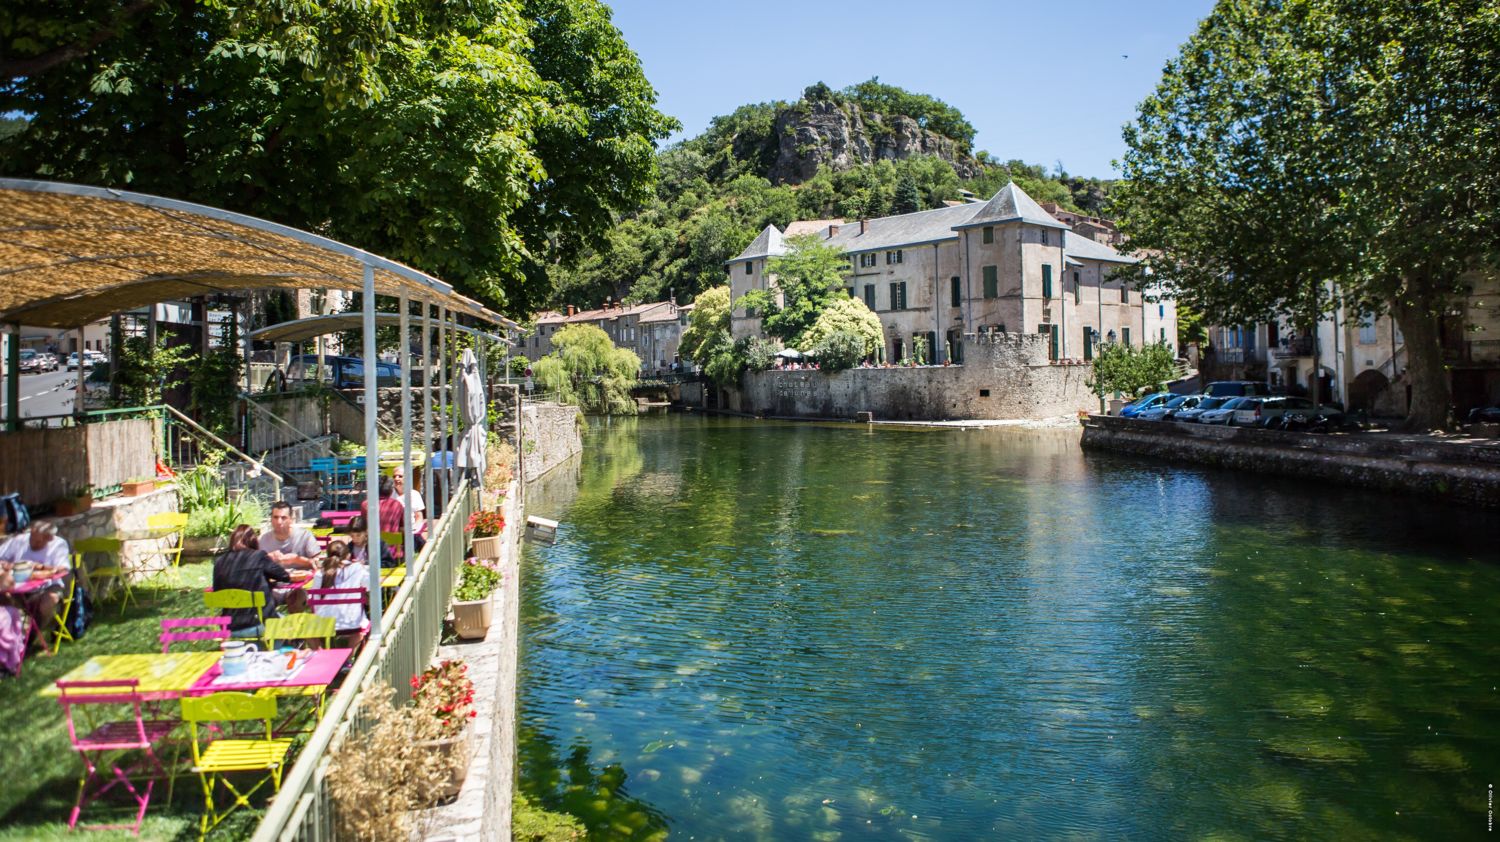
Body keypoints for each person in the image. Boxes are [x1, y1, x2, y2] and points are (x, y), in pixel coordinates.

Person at [0, 521, 72, 653]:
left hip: (49, 586)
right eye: (32, 538)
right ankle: (13, 637)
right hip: (18, 586)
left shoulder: (58, 544)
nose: (32, 543)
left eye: (38, 541)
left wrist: (43, 569)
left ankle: (29, 638)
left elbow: (63, 569)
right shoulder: (20, 540)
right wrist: (6, 565)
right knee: (3, 594)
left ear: (49, 538)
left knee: (49, 602)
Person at [212, 525, 292, 638]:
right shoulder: (258, 556)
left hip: (230, 626)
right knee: (292, 625)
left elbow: (217, 592)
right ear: (253, 540)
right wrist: (274, 563)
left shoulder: (219, 562)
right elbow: (284, 576)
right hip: (259, 622)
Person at [313, 539, 368, 636]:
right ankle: (352, 650)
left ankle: (320, 649)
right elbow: (369, 586)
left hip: (324, 624)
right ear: (348, 555)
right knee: (360, 630)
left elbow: (315, 600)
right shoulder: (357, 569)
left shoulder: (320, 573)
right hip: (353, 623)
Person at [260, 501, 319, 571]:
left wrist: (296, 560)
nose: (279, 522)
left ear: (291, 519)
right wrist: (268, 558)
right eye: (275, 517)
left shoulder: (305, 536)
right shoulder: (263, 540)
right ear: (271, 519)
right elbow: (256, 566)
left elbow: (317, 563)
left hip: (302, 579)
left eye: (283, 518)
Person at [393, 468, 427, 532]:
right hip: (393, 532)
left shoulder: (415, 494)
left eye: (400, 476)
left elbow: (419, 516)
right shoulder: (389, 494)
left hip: (411, 531)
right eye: (394, 476)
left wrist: (415, 531)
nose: (396, 479)